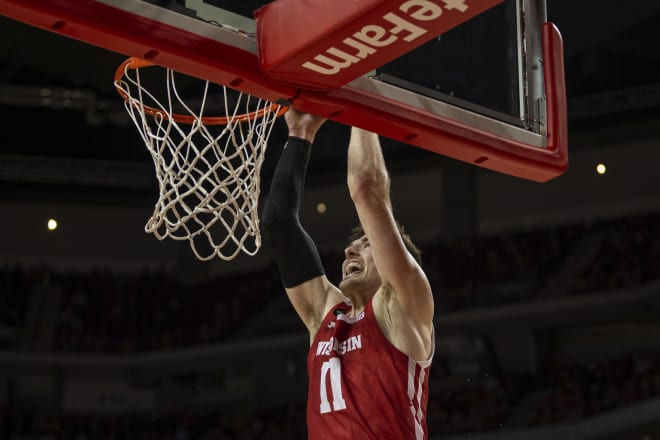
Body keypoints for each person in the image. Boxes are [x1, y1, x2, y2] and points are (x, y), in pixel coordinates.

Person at [261, 108, 435, 440]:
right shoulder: (326, 314)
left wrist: (359, 103)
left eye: (365, 244)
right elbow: (279, 223)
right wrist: (300, 133)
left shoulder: (403, 304)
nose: (349, 250)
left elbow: (367, 189)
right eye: (351, 245)